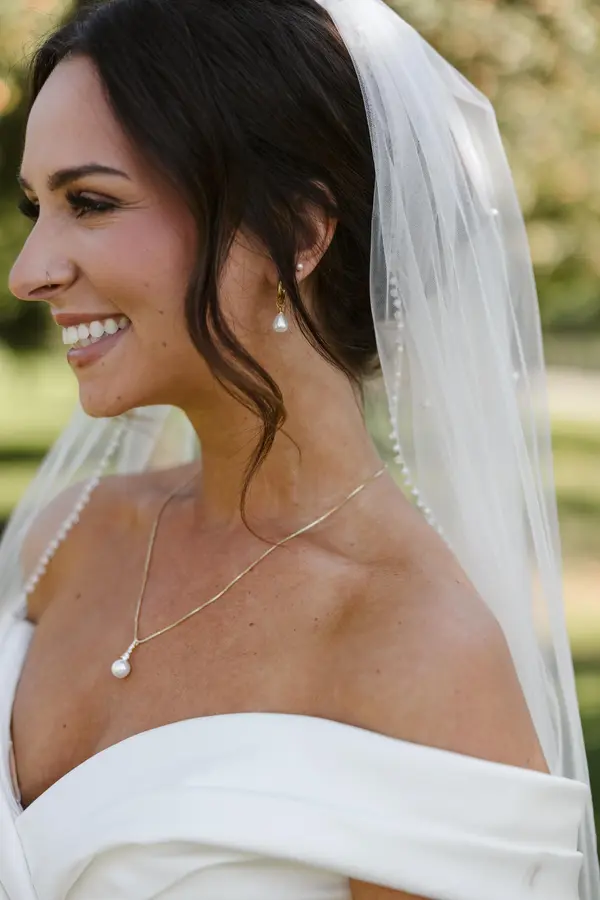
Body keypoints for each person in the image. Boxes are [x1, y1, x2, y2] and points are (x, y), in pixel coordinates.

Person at [1, 0, 597, 897]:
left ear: (299, 232)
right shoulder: (70, 538)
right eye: (34, 206)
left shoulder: (419, 649)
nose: (28, 272)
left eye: (90, 202)